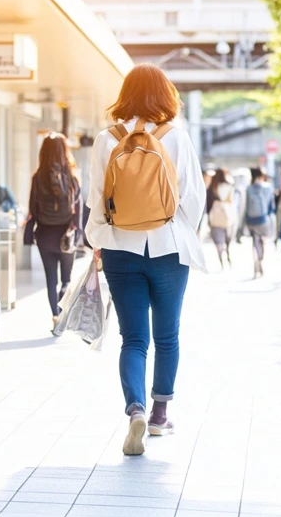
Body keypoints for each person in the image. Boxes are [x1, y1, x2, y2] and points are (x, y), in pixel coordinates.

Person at [85, 63, 206, 457]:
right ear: (164, 95)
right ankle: (158, 415)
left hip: (121, 248)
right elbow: (193, 197)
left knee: (133, 338)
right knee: (167, 335)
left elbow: (94, 198)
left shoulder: (107, 139)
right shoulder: (176, 137)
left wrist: (100, 239)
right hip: (169, 249)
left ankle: (134, 406)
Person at [26, 133, 82, 331]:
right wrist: (78, 232)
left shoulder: (37, 177)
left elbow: (33, 208)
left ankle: (55, 317)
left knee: (51, 279)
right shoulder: (72, 176)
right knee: (66, 279)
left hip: (44, 235)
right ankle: (63, 312)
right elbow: (79, 209)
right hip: (66, 235)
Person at [244, 167, 276, 278]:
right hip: (263, 219)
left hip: (251, 220)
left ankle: (255, 263)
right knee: (262, 241)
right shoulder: (267, 188)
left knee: (255, 242)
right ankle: (261, 259)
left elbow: (245, 206)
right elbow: (271, 207)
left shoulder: (248, 189)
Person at [207, 168, 236, 269]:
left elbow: (208, 203)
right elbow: (232, 201)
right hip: (228, 215)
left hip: (215, 215)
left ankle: (221, 260)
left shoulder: (212, 187)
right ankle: (227, 252)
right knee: (227, 237)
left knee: (218, 240)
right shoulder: (229, 186)